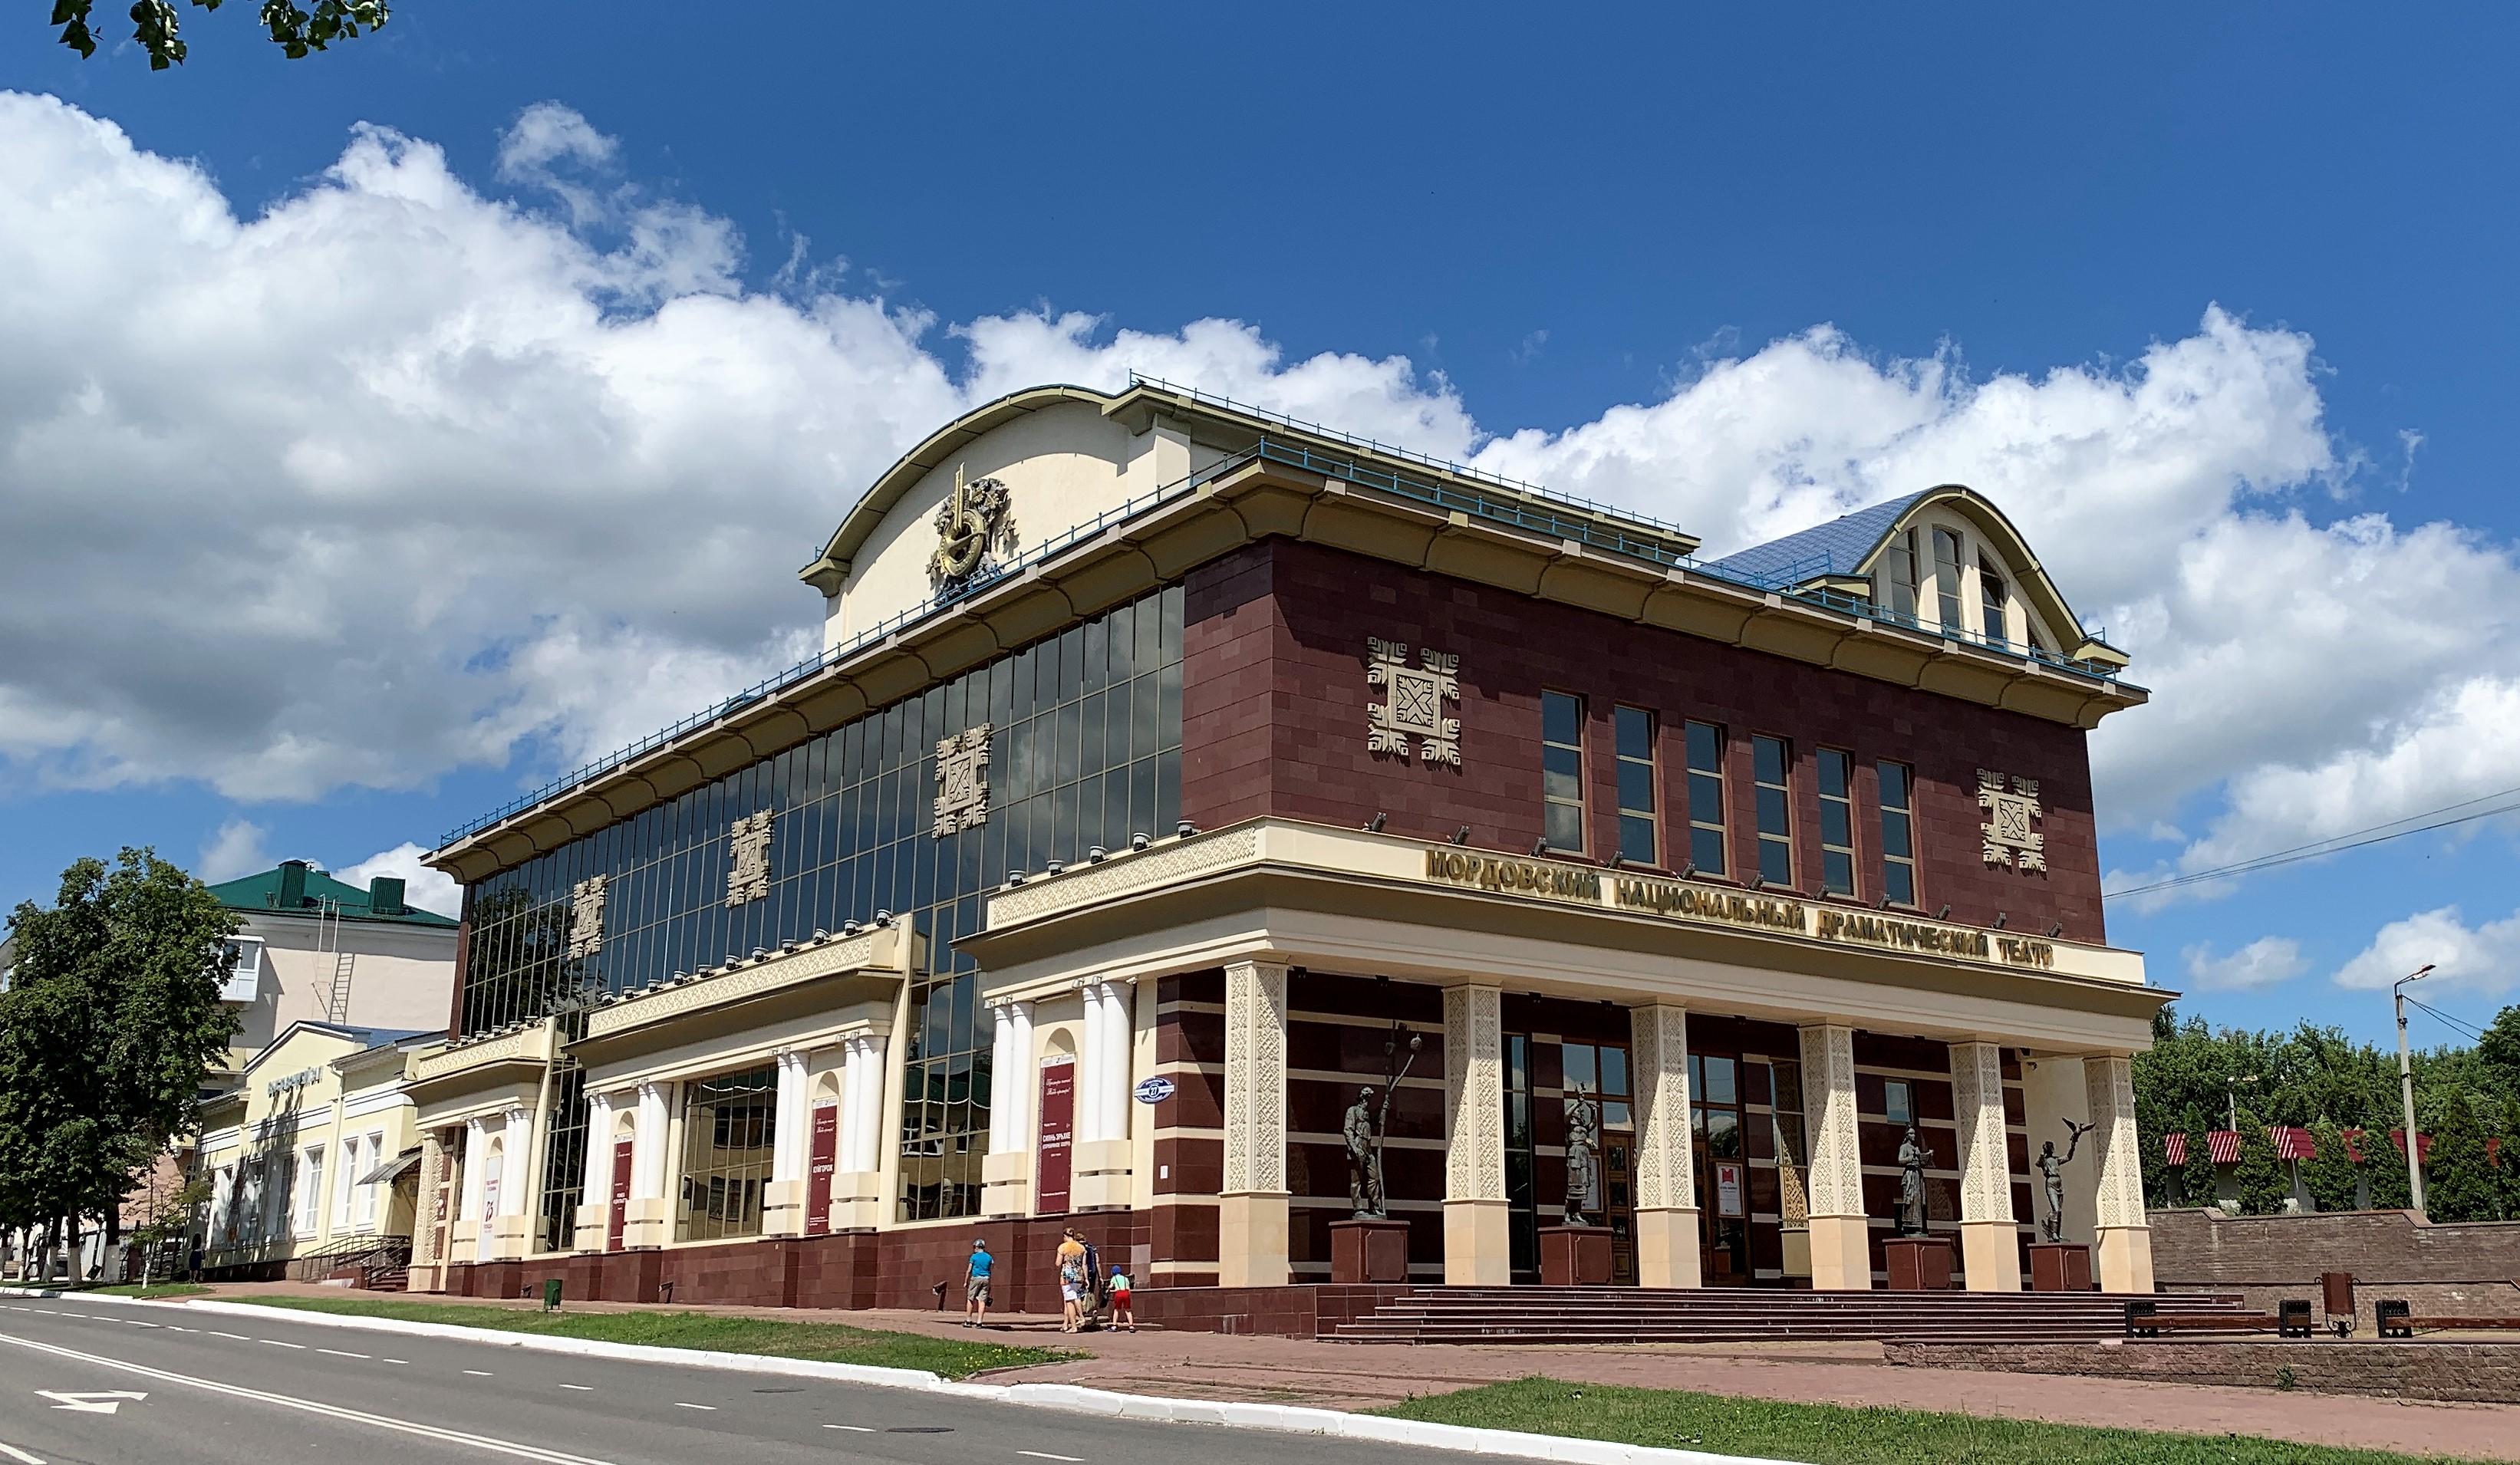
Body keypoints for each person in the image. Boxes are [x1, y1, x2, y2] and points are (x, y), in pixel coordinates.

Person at [1055, 1228, 1088, 1333]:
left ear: (1065, 1236)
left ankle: (1074, 1327)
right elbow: (1084, 1265)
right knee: (1075, 1298)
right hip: (1078, 1276)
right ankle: (1076, 1322)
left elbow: (1058, 1263)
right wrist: (1086, 1278)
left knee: (1069, 1302)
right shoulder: (1081, 1248)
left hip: (1067, 1277)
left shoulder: (1062, 1247)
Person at [964, 1239, 993, 1327]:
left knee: (970, 1298)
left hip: (976, 1278)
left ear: (976, 1247)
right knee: (982, 1301)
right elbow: (990, 1270)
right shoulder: (989, 1257)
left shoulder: (974, 1257)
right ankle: (979, 1322)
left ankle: (968, 1321)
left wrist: (966, 1282)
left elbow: (969, 1270)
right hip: (986, 1279)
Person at [1108, 1265, 1135, 1332]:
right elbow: (1128, 1289)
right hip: (1126, 1293)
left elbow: (1111, 1286)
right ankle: (1131, 1326)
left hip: (1119, 1294)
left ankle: (1114, 1326)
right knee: (1128, 1310)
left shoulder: (1114, 1278)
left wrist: (1108, 1289)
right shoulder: (1126, 1278)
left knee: (1116, 1309)